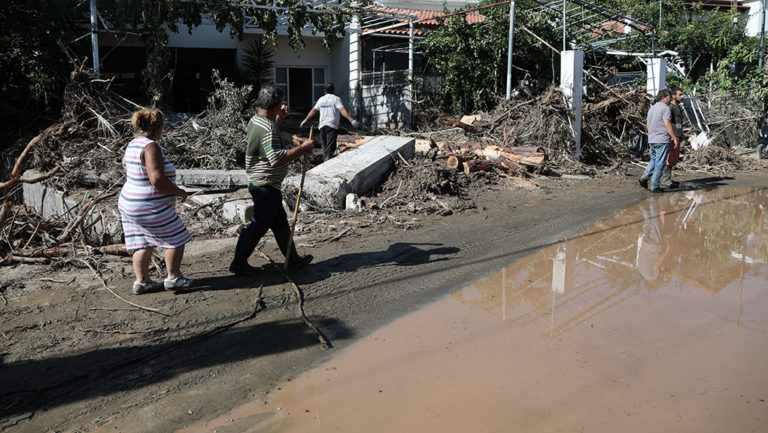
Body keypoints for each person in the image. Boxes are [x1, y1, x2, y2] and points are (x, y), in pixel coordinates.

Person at [229, 85, 315, 275]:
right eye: (281, 103)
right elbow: (277, 158)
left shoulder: (256, 120)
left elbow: (268, 137)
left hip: (264, 183)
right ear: (276, 104)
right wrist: (303, 148)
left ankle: (292, 260)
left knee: (280, 224)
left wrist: (280, 118)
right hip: (264, 184)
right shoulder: (267, 127)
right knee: (259, 226)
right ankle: (238, 263)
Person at [118, 108, 194, 295]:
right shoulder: (151, 146)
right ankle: (174, 278)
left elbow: (125, 163)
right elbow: (157, 180)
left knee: (141, 241)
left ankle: (142, 282)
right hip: (148, 205)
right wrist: (180, 192)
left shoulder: (133, 143)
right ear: (158, 128)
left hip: (129, 201)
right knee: (176, 236)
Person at [299, 82, 360, 161]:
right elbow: (341, 110)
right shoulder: (336, 99)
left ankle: (325, 161)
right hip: (331, 126)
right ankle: (327, 162)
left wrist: (305, 120)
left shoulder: (321, 99)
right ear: (333, 89)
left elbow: (314, 110)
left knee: (325, 147)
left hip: (322, 126)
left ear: (325, 90)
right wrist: (351, 120)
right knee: (330, 148)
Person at [639, 89, 680, 193]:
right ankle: (654, 185)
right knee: (660, 163)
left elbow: (648, 126)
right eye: (669, 97)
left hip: (652, 139)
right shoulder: (665, 108)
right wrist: (674, 137)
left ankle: (644, 177)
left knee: (653, 160)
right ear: (664, 98)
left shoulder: (652, 108)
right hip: (662, 139)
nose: (670, 99)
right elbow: (667, 124)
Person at [661, 86, 685, 189]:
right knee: (669, 159)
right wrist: (672, 136)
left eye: (682, 94)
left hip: (677, 136)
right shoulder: (670, 108)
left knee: (673, 159)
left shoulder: (678, 107)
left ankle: (667, 179)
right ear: (673, 96)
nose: (682, 96)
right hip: (672, 137)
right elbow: (667, 123)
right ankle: (665, 181)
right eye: (680, 95)